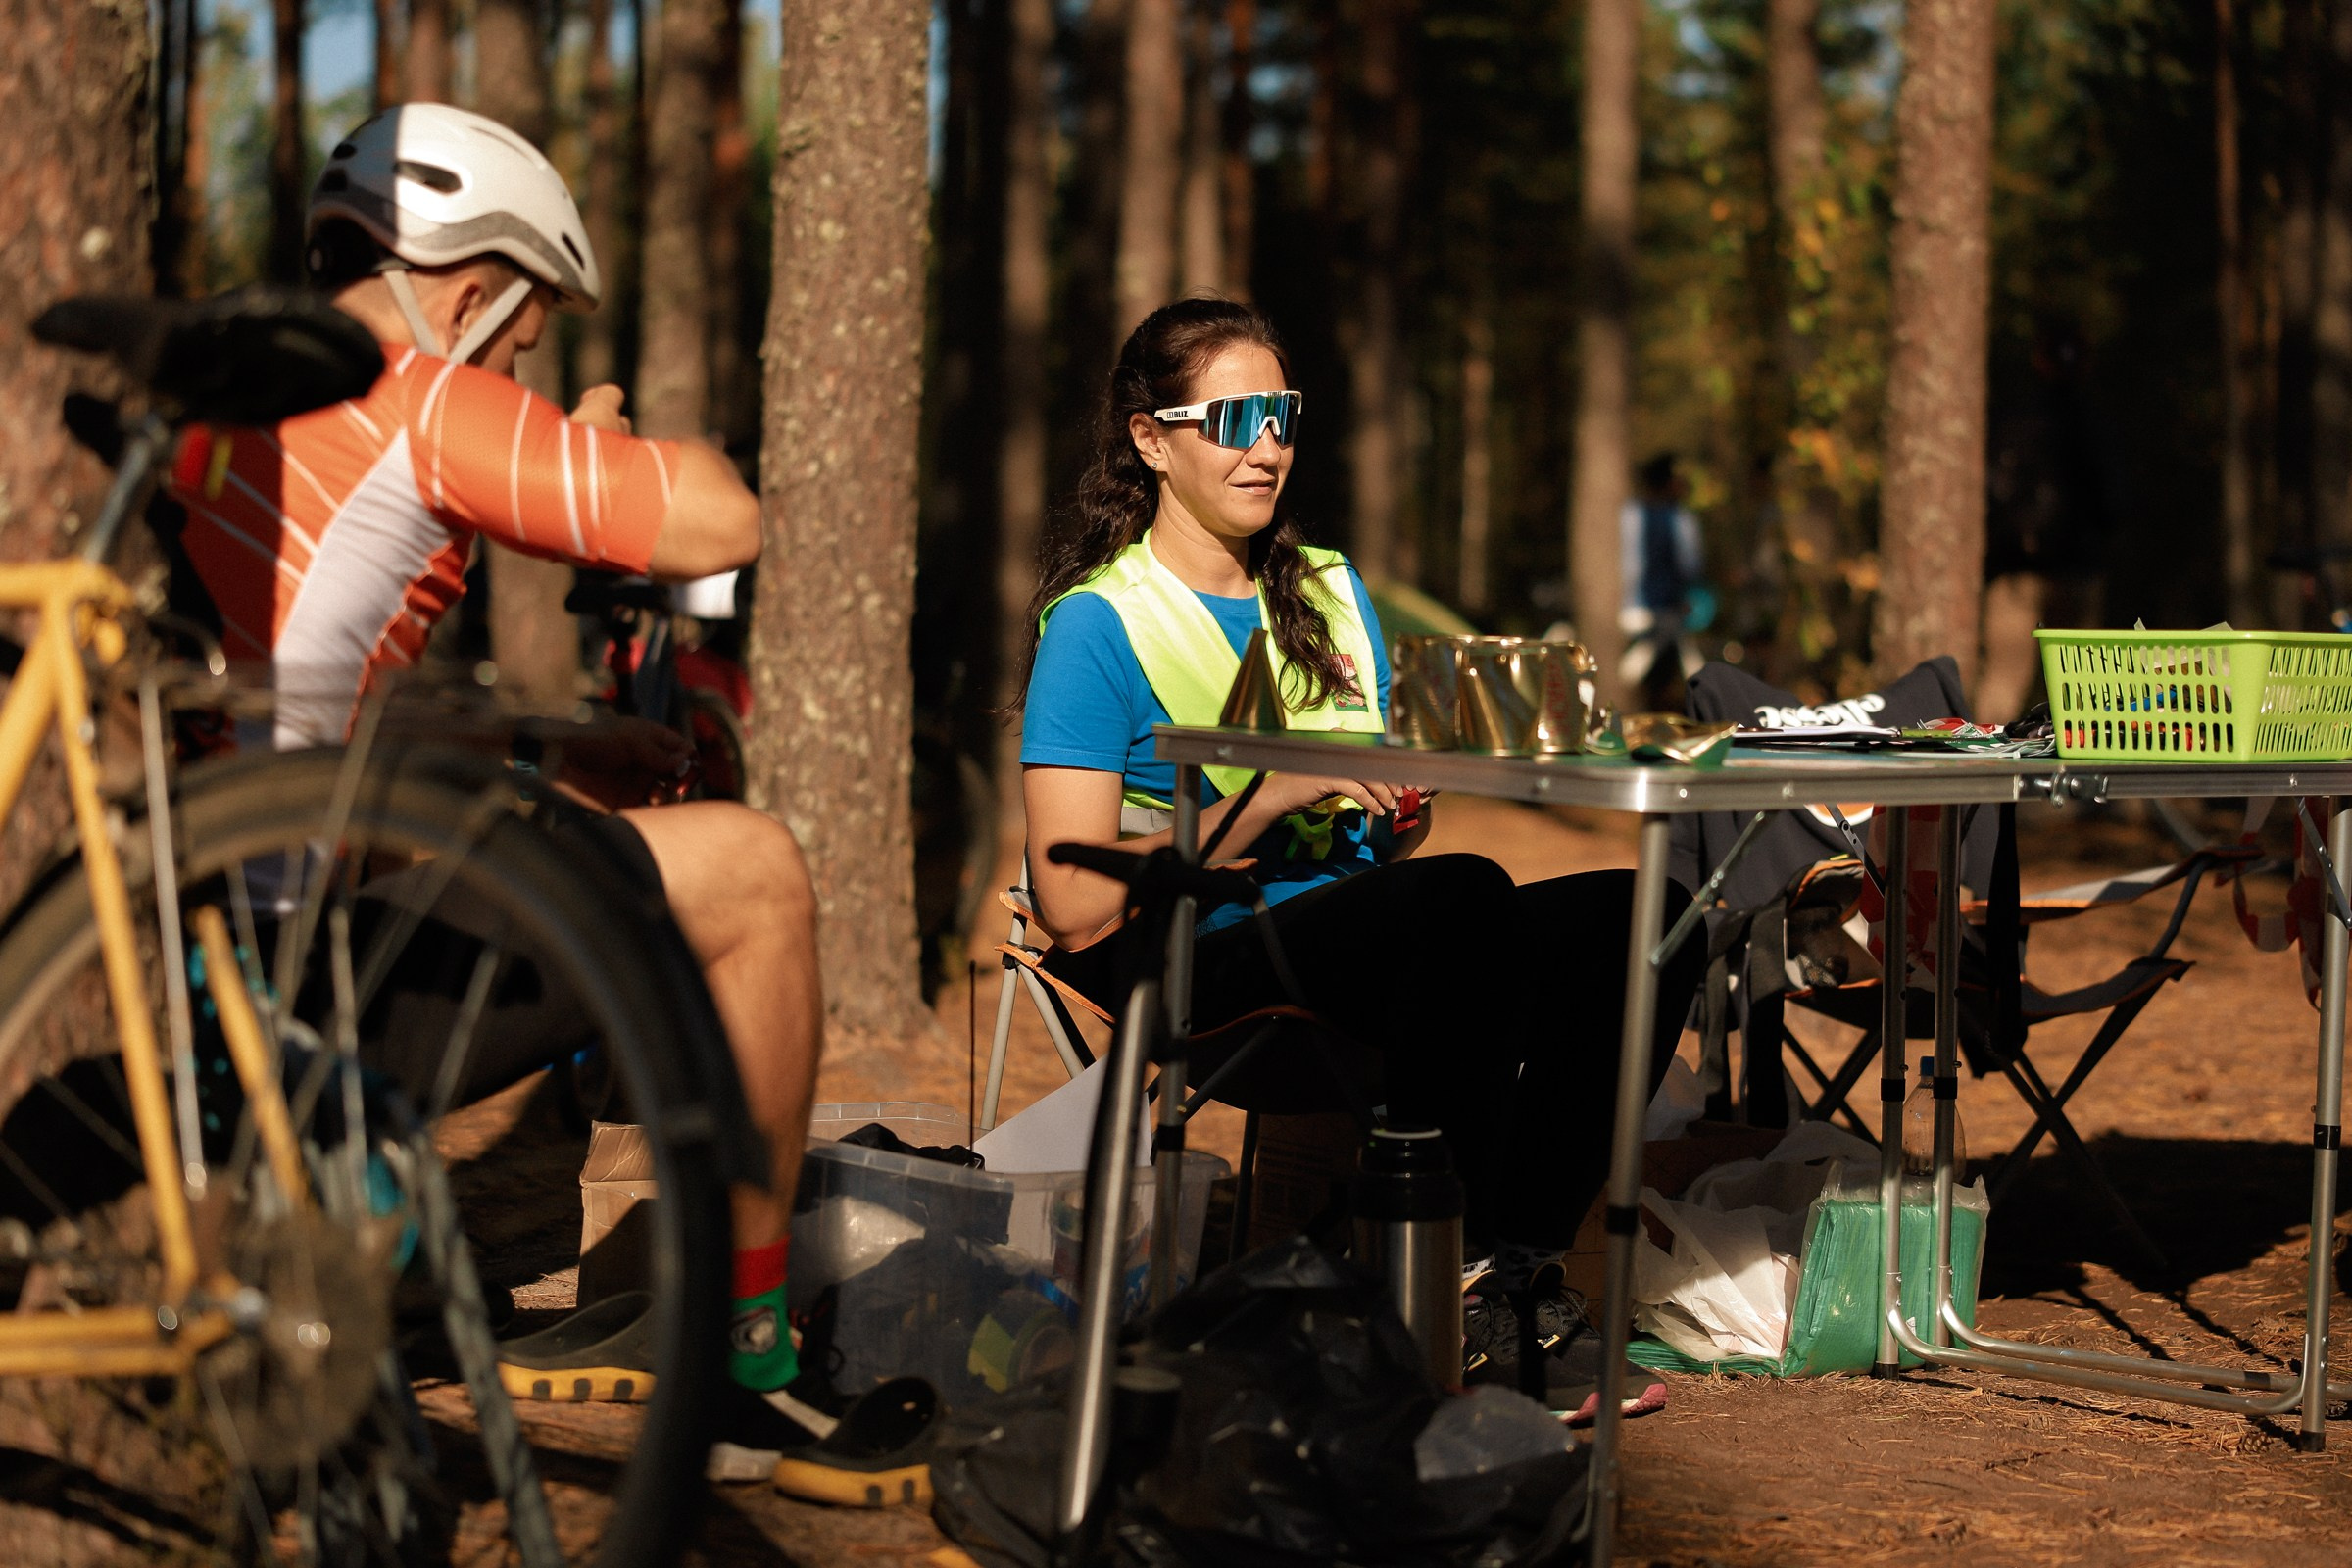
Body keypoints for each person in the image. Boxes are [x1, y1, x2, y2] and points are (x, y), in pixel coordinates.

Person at [161, 105, 927, 1501]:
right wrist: (591, 430)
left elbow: (294, 708)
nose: (515, 362)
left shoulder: (228, 382)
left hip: (186, 948)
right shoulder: (415, 388)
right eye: (520, 337)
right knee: (753, 873)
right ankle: (747, 1377)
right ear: (467, 290)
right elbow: (717, 521)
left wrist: (527, 754)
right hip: (291, 985)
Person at [1015, 297, 1704, 1420]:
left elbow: (1387, 839)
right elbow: (1072, 901)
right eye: (1234, 417)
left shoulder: (1331, 591)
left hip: (1358, 927)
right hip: (1191, 945)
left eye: (1282, 413)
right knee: (1461, 901)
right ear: (1152, 439)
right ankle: (1425, 1288)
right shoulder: (1100, 624)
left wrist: (1398, 812)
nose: (1269, 444)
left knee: (1653, 912)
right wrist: (1273, 791)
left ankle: (1503, 1271)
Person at [1619, 451, 1711, 708]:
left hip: (1631, 609)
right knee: (1683, 663)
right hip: (1664, 612)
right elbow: (1691, 568)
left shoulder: (1628, 514)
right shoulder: (1681, 520)